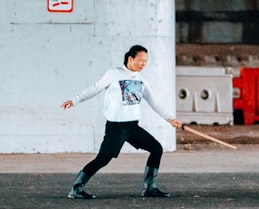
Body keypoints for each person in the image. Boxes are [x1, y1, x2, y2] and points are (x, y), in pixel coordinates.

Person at [61, 44, 183, 199]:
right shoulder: (114, 74)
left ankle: (149, 187)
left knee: (156, 149)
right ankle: (76, 189)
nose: (143, 64)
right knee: (103, 159)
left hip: (132, 127)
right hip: (116, 128)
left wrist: (170, 118)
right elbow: (95, 88)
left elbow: (154, 102)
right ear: (130, 58)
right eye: (140, 60)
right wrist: (75, 100)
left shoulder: (141, 80)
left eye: (145, 61)